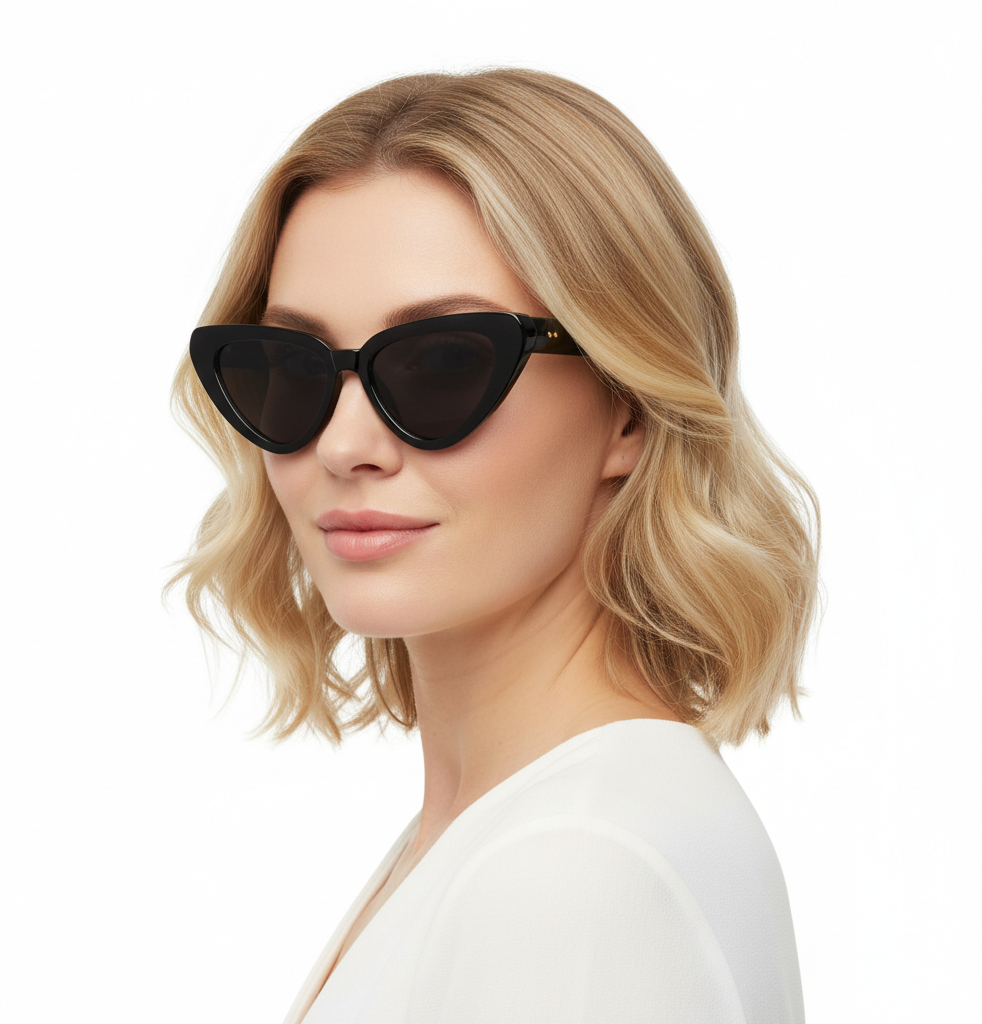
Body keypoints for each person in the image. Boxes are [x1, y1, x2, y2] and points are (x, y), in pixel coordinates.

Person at [169, 68, 820, 1024]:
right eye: (290, 368)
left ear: (629, 407)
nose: (343, 445)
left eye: (440, 364)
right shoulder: (523, 829)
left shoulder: (567, 871)